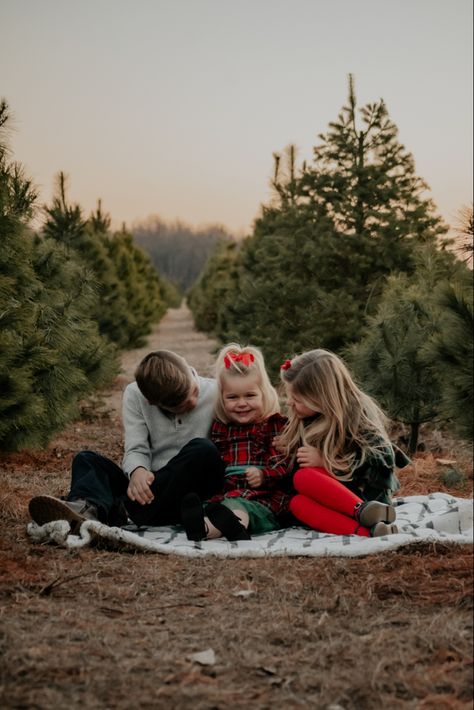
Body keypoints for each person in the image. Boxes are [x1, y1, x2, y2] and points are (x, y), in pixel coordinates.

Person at [29, 350, 225, 532]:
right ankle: (86, 508)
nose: (193, 400)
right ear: (152, 402)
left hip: (190, 493)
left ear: (185, 365)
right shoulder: (136, 395)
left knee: (203, 449)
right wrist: (138, 470)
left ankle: (120, 511)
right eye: (181, 405)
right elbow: (136, 447)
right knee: (86, 459)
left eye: (194, 391)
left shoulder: (218, 392)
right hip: (150, 493)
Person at [278, 349, 410, 538]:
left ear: (321, 398)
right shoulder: (306, 418)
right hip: (335, 505)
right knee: (297, 504)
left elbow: (382, 456)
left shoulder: (355, 415)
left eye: (298, 399)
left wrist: (327, 461)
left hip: (366, 500)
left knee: (304, 477)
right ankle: (369, 533)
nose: (290, 402)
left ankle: (363, 512)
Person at [180, 343, 291, 542]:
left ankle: (235, 527)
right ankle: (202, 529)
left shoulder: (272, 426)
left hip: (262, 496)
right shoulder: (221, 428)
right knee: (215, 508)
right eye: (232, 397)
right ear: (222, 399)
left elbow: (282, 464)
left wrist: (263, 474)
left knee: (241, 508)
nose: (241, 403)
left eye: (250, 396)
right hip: (228, 493)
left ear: (263, 394)